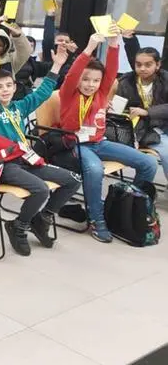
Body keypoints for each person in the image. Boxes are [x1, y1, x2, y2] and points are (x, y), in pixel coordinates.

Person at [0, 48, 81, 256]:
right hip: (3, 164)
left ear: (15, 87)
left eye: (9, 85)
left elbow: (43, 92)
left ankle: (42, 219)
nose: (5, 90)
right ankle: (18, 226)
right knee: (41, 189)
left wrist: (57, 66)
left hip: (25, 160)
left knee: (72, 179)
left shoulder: (20, 107)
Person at [58, 31, 158, 243]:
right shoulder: (69, 93)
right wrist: (88, 49)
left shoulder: (101, 93)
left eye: (95, 80)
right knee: (95, 170)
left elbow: (111, 72)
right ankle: (97, 219)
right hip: (76, 144)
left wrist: (114, 44)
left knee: (148, 163)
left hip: (100, 143)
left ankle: (127, 206)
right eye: (85, 79)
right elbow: (72, 75)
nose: (90, 84)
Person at [116, 46, 168, 180]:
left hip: (163, 125)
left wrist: (147, 112)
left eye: (148, 64)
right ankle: (140, 196)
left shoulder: (166, 79)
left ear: (158, 65)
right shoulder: (126, 81)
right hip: (141, 130)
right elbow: (117, 110)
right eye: (138, 65)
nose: (142, 68)